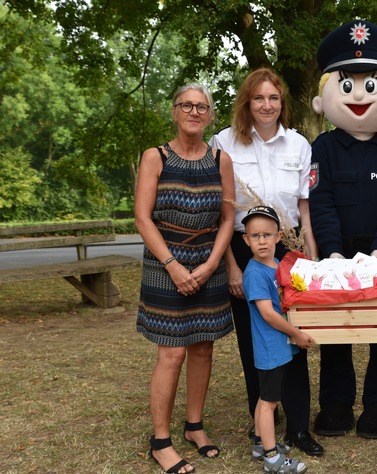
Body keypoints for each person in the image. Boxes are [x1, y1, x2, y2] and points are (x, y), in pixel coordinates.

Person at [209, 68, 323, 456]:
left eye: (273, 98)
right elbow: (221, 213)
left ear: (282, 103)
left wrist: (311, 255)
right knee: (255, 341)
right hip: (245, 248)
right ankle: (263, 424)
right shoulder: (224, 142)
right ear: (247, 102)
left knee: (295, 335)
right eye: (258, 98)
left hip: (288, 247)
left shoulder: (299, 145)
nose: (266, 105)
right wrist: (232, 267)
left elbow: (305, 208)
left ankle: (299, 428)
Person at [308, 19, 377, 439]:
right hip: (336, 257)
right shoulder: (324, 148)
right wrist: (332, 252)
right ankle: (335, 402)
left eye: (373, 82)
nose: (360, 94)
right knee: (335, 332)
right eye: (347, 83)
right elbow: (320, 201)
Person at [135, 83, 236, 474]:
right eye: (186, 105)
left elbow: (228, 217)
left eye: (202, 107)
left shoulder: (220, 159)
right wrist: (173, 265)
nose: (194, 112)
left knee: (203, 348)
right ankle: (160, 441)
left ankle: (194, 424)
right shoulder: (155, 157)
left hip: (207, 260)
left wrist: (212, 265)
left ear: (210, 115)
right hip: (165, 262)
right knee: (172, 351)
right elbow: (142, 218)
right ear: (174, 111)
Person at [241, 205, 315, 474]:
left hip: (280, 345)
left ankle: (262, 443)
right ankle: (271, 458)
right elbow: (268, 315)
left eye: (267, 235)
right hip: (271, 347)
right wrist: (296, 334)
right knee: (269, 401)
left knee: (267, 397)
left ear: (279, 237)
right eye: (255, 236)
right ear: (246, 240)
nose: (262, 241)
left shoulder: (276, 265)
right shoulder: (255, 274)